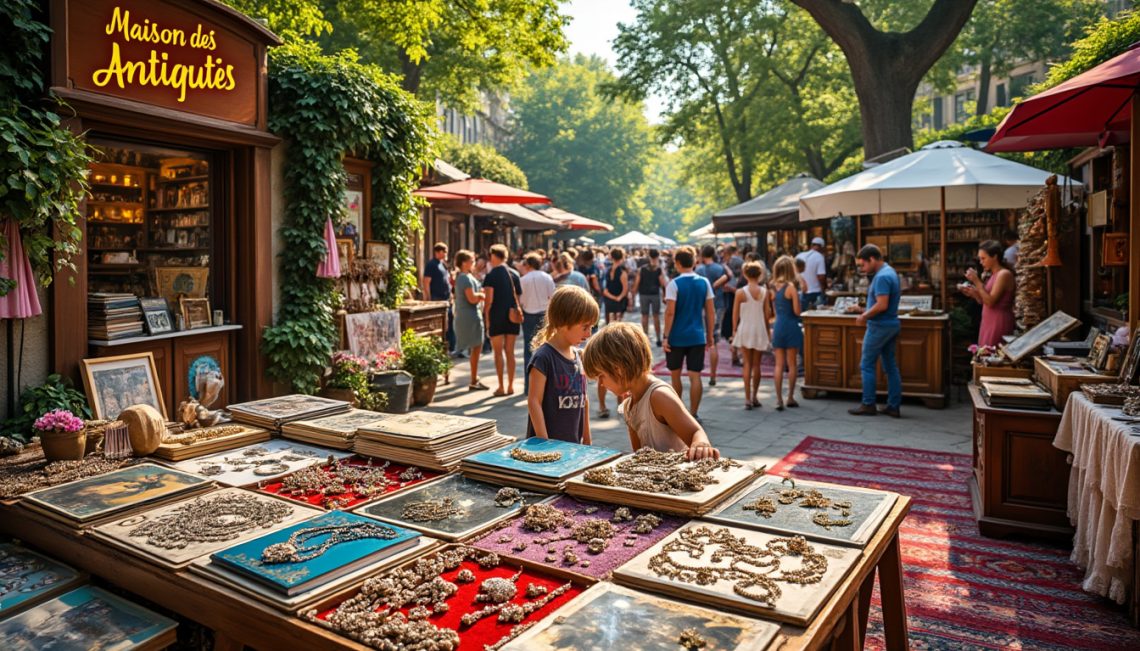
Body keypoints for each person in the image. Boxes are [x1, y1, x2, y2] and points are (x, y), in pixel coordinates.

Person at [583, 322, 720, 460]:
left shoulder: (659, 396)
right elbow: (640, 455)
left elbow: (695, 432)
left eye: (601, 376)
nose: (600, 384)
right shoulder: (628, 406)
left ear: (619, 369)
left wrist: (700, 444)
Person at [526, 286, 598, 443]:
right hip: (547, 449)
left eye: (591, 327)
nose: (588, 334)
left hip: (573, 446)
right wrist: (543, 442)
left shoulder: (579, 356)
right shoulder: (543, 358)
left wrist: (587, 438)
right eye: (585, 327)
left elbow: (584, 400)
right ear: (564, 323)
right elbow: (534, 402)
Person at [849, 244, 902, 418]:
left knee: (866, 365)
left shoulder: (881, 277)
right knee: (890, 366)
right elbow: (881, 303)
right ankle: (893, 406)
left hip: (879, 326)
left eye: (863, 264)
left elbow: (882, 304)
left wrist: (864, 315)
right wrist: (863, 308)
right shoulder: (890, 272)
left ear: (872, 259)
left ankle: (868, 403)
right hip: (890, 324)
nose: (862, 269)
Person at [664, 245, 716, 419]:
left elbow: (670, 312)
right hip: (697, 335)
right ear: (694, 262)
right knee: (695, 376)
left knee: (675, 375)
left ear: (677, 263)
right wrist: (710, 335)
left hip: (677, 336)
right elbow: (710, 311)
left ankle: (677, 414)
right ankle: (694, 413)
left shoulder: (674, 284)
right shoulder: (704, 282)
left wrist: (665, 336)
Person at [482, 244, 523, 396]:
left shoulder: (491, 275)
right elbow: (518, 298)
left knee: (498, 353)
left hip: (496, 316)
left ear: (494, 256)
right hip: (512, 316)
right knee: (510, 352)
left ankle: (501, 386)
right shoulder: (514, 274)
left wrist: (487, 319)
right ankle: (511, 386)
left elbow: (489, 301)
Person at [731, 261, 771, 411]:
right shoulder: (764, 291)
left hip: (745, 328)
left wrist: (734, 330)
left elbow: (735, 315)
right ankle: (755, 396)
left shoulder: (740, 292)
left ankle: (747, 398)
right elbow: (767, 315)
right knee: (757, 364)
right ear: (759, 274)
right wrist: (767, 331)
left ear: (745, 274)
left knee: (746, 364)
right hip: (759, 328)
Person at [961, 240, 1016, 347]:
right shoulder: (993, 275)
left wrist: (976, 281)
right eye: (980, 258)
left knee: (992, 353)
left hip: (999, 321)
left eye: (983, 258)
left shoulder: (1004, 274)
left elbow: (990, 302)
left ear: (994, 257)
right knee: (985, 354)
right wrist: (974, 293)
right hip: (988, 320)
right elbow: (984, 301)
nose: (981, 262)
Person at [597, 248, 630, 418]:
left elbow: (605, 288)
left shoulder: (609, 270)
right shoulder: (622, 271)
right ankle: (621, 404)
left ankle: (604, 406)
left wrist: (611, 296)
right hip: (616, 301)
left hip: (610, 300)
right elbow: (625, 288)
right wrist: (619, 298)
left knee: (611, 322)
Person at [519, 252, 557, 393]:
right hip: (543, 314)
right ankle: (546, 385)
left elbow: (521, 300)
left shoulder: (523, 279)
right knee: (546, 348)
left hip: (529, 314)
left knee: (528, 349)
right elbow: (552, 297)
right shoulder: (547, 277)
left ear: (528, 264)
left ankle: (529, 386)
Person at [769, 256, 803, 411]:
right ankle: (790, 397)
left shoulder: (772, 287)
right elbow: (797, 311)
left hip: (778, 326)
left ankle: (778, 399)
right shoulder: (791, 288)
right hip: (791, 326)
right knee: (792, 364)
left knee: (778, 365)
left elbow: (773, 310)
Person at [452, 250, 488, 390]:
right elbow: (472, 298)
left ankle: (474, 377)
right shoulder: (464, 278)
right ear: (464, 262)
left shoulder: (465, 276)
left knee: (475, 346)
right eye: (471, 261)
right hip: (470, 315)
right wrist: (481, 295)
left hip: (469, 314)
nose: (473, 263)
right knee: (476, 346)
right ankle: (473, 379)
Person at [695, 245, 729, 386]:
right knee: (713, 341)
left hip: (701, 306)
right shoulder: (719, 268)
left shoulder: (698, 270)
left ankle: (698, 372)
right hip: (718, 304)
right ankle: (713, 375)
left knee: (701, 339)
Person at [421, 242, 457, 355]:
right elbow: (426, 281)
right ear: (438, 252)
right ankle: (441, 347)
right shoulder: (431, 264)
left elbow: (447, 280)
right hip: (437, 297)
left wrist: (451, 293)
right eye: (444, 251)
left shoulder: (443, 264)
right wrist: (428, 297)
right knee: (440, 324)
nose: (446, 254)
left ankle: (451, 347)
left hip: (447, 298)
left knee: (450, 321)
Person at [632, 248, 668, 346]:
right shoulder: (659, 269)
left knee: (644, 316)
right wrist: (665, 295)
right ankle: (658, 338)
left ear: (649, 256)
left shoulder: (642, 269)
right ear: (657, 256)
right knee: (656, 316)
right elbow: (663, 284)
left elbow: (636, 283)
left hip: (643, 294)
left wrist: (633, 295)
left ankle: (645, 337)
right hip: (655, 294)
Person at [722, 245, 745, 367]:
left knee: (733, 326)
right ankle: (736, 355)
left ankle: (735, 354)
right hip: (736, 297)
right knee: (736, 327)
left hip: (731, 298)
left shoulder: (729, 263)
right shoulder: (738, 262)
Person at [796, 237, 828, 310]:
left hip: (801, 291)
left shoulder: (800, 255)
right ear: (821, 247)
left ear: (811, 245)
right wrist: (824, 289)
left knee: (802, 316)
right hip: (815, 292)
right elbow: (821, 277)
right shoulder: (819, 257)